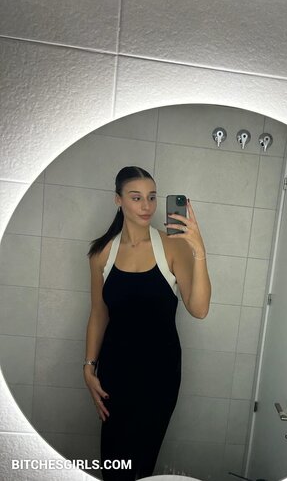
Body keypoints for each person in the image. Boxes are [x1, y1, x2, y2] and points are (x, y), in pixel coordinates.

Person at [83, 166, 211, 480]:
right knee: (114, 460)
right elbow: (98, 313)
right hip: (115, 371)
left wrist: (199, 250)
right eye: (136, 197)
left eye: (152, 197)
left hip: (160, 373)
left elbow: (199, 309)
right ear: (118, 200)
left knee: (142, 462)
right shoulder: (102, 253)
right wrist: (88, 367)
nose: (147, 206)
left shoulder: (174, 247)